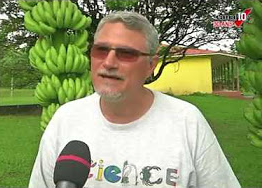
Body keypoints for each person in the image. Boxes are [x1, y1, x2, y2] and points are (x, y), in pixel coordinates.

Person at [29, 11, 241, 188]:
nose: (109, 62)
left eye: (126, 53)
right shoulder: (66, 119)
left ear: (150, 65)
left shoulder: (187, 121)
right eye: (101, 50)